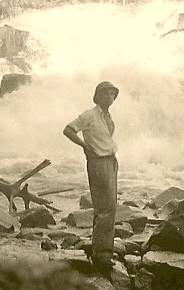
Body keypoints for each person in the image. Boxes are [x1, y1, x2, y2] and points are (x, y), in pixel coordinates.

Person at [63, 81, 119, 279]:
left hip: (110, 161)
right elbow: (68, 129)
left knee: (107, 207)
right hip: (98, 162)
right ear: (98, 96)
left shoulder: (107, 116)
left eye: (112, 94)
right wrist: (84, 146)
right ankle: (103, 254)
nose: (110, 97)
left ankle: (100, 249)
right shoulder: (90, 115)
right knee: (107, 207)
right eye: (106, 94)